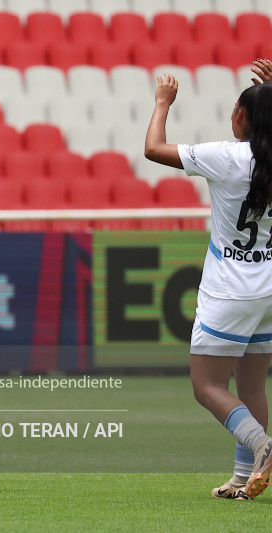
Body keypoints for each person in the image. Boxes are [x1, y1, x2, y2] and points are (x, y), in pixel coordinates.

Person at [145, 71, 272, 501]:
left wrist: (162, 103)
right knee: (252, 386)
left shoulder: (227, 156)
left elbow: (152, 149)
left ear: (241, 118)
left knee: (206, 386)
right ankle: (241, 479)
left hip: (228, 292)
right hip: (269, 291)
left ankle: (262, 446)